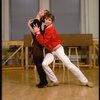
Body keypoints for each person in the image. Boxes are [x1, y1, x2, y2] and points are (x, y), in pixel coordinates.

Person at [33, 12, 93, 87]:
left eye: (49, 20)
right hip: (52, 51)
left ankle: (85, 81)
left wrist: (38, 33)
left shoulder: (50, 29)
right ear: (44, 19)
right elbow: (40, 27)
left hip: (58, 50)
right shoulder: (46, 27)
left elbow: (44, 42)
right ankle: (55, 81)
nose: (47, 21)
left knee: (69, 65)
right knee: (44, 64)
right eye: (46, 19)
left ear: (52, 21)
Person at [27, 10, 49, 88]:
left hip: (37, 44)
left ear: (43, 16)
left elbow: (35, 32)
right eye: (42, 10)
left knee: (37, 62)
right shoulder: (38, 21)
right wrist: (33, 39)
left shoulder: (37, 21)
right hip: (37, 43)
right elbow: (38, 33)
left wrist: (28, 25)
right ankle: (44, 81)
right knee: (38, 62)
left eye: (43, 12)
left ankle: (43, 82)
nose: (41, 11)